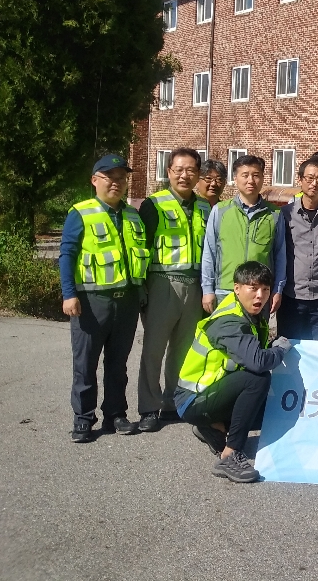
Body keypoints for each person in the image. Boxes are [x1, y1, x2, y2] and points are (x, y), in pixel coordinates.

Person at [60, 154, 151, 442]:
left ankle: (116, 414)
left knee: (118, 364)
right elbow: (67, 255)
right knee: (85, 363)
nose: (116, 182)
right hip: (91, 301)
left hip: (126, 302)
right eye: (109, 176)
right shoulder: (81, 212)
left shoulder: (133, 214)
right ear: (94, 180)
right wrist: (69, 294)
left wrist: (141, 294)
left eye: (122, 177)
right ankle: (84, 418)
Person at [175, 261, 291, 483]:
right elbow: (257, 362)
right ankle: (230, 455)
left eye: (265, 290)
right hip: (191, 400)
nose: (260, 296)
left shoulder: (248, 313)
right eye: (253, 288)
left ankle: (213, 427)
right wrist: (279, 351)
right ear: (237, 288)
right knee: (257, 379)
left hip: (211, 394)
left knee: (270, 411)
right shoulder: (230, 321)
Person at [136, 147, 211, 433]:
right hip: (162, 283)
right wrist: (141, 289)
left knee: (183, 349)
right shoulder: (153, 205)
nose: (184, 175)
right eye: (178, 169)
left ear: (198, 174)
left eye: (191, 170)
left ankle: (172, 403)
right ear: (168, 172)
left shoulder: (205, 207)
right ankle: (148, 407)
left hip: (195, 285)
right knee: (153, 349)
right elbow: (140, 249)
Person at [201, 154, 286, 314]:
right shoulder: (220, 211)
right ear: (235, 178)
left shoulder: (274, 214)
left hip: (259, 294)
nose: (250, 181)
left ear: (262, 178)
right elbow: (209, 253)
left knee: (257, 338)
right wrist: (207, 289)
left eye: (256, 175)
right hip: (226, 292)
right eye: (245, 175)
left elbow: (280, 255)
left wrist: (277, 289)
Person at [278, 156, 318, 342]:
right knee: (289, 349)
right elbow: (279, 253)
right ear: (300, 180)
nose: (314, 183)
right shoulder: (285, 214)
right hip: (292, 295)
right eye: (309, 178)